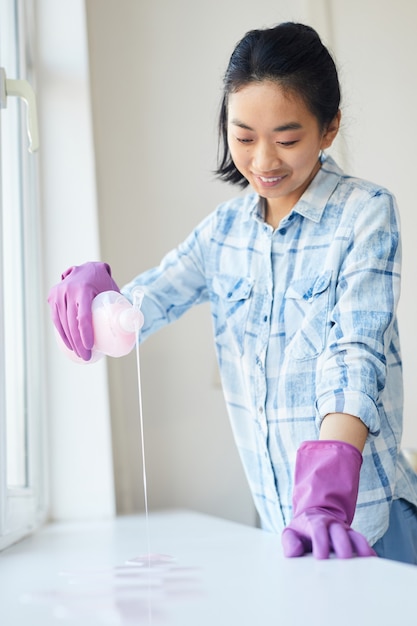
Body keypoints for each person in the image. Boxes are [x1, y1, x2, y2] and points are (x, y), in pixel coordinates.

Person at [48, 22, 417, 563]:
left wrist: (326, 496)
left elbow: (353, 356)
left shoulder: (365, 215)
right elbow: (151, 298)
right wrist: (99, 297)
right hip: (282, 529)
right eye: (244, 137)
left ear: (330, 127)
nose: (263, 162)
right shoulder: (224, 233)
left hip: (365, 521)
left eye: (287, 139)